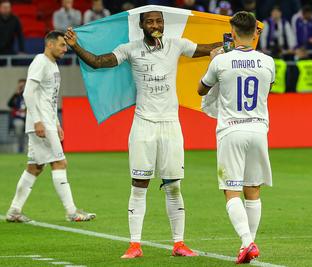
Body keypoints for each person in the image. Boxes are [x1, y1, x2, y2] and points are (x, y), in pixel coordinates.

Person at [64, 10, 221, 258]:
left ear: (163, 24)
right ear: (141, 25)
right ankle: (135, 245)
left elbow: (207, 48)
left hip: (170, 124)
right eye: (150, 21)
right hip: (143, 124)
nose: (155, 25)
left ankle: (179, 244)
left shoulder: (176, 45)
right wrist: (75, 46)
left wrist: (234, 37)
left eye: (159, 21)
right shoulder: (130, 49)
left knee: (173, 186)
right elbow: (97, 62)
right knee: (139, 185)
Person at [198, 11, 274, 264]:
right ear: (255, 33)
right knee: (253, 190)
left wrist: (212, 61)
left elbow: (201, 89)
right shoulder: (268, 61)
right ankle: (248, 247)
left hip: (231, 129)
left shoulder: (221, 61)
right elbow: (268, 87)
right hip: (258, 130)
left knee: (231, 191)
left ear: (232, 33)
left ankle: (247, 242)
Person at [5, 31, 96, 223]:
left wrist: (57, 122)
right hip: (41, 123)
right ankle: (72, 212)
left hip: (47, 121)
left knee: (35, 168)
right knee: (60, 163)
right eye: (62, 45)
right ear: (50, 44)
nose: (65, 49)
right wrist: (38, 121)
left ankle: (14, 211)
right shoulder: (40, 62)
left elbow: (49, 99)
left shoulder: (52, 65)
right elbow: (28, 93)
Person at [8, 79, 27, 153]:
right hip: (19, 118)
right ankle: (19, 150)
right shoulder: (16, 96)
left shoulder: (28, 94)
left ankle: (30, 150)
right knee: (19, 126)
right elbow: (9, 104)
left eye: (23, 85)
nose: (22, 87)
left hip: (29, 118)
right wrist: (16, 94)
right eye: (21, 85)